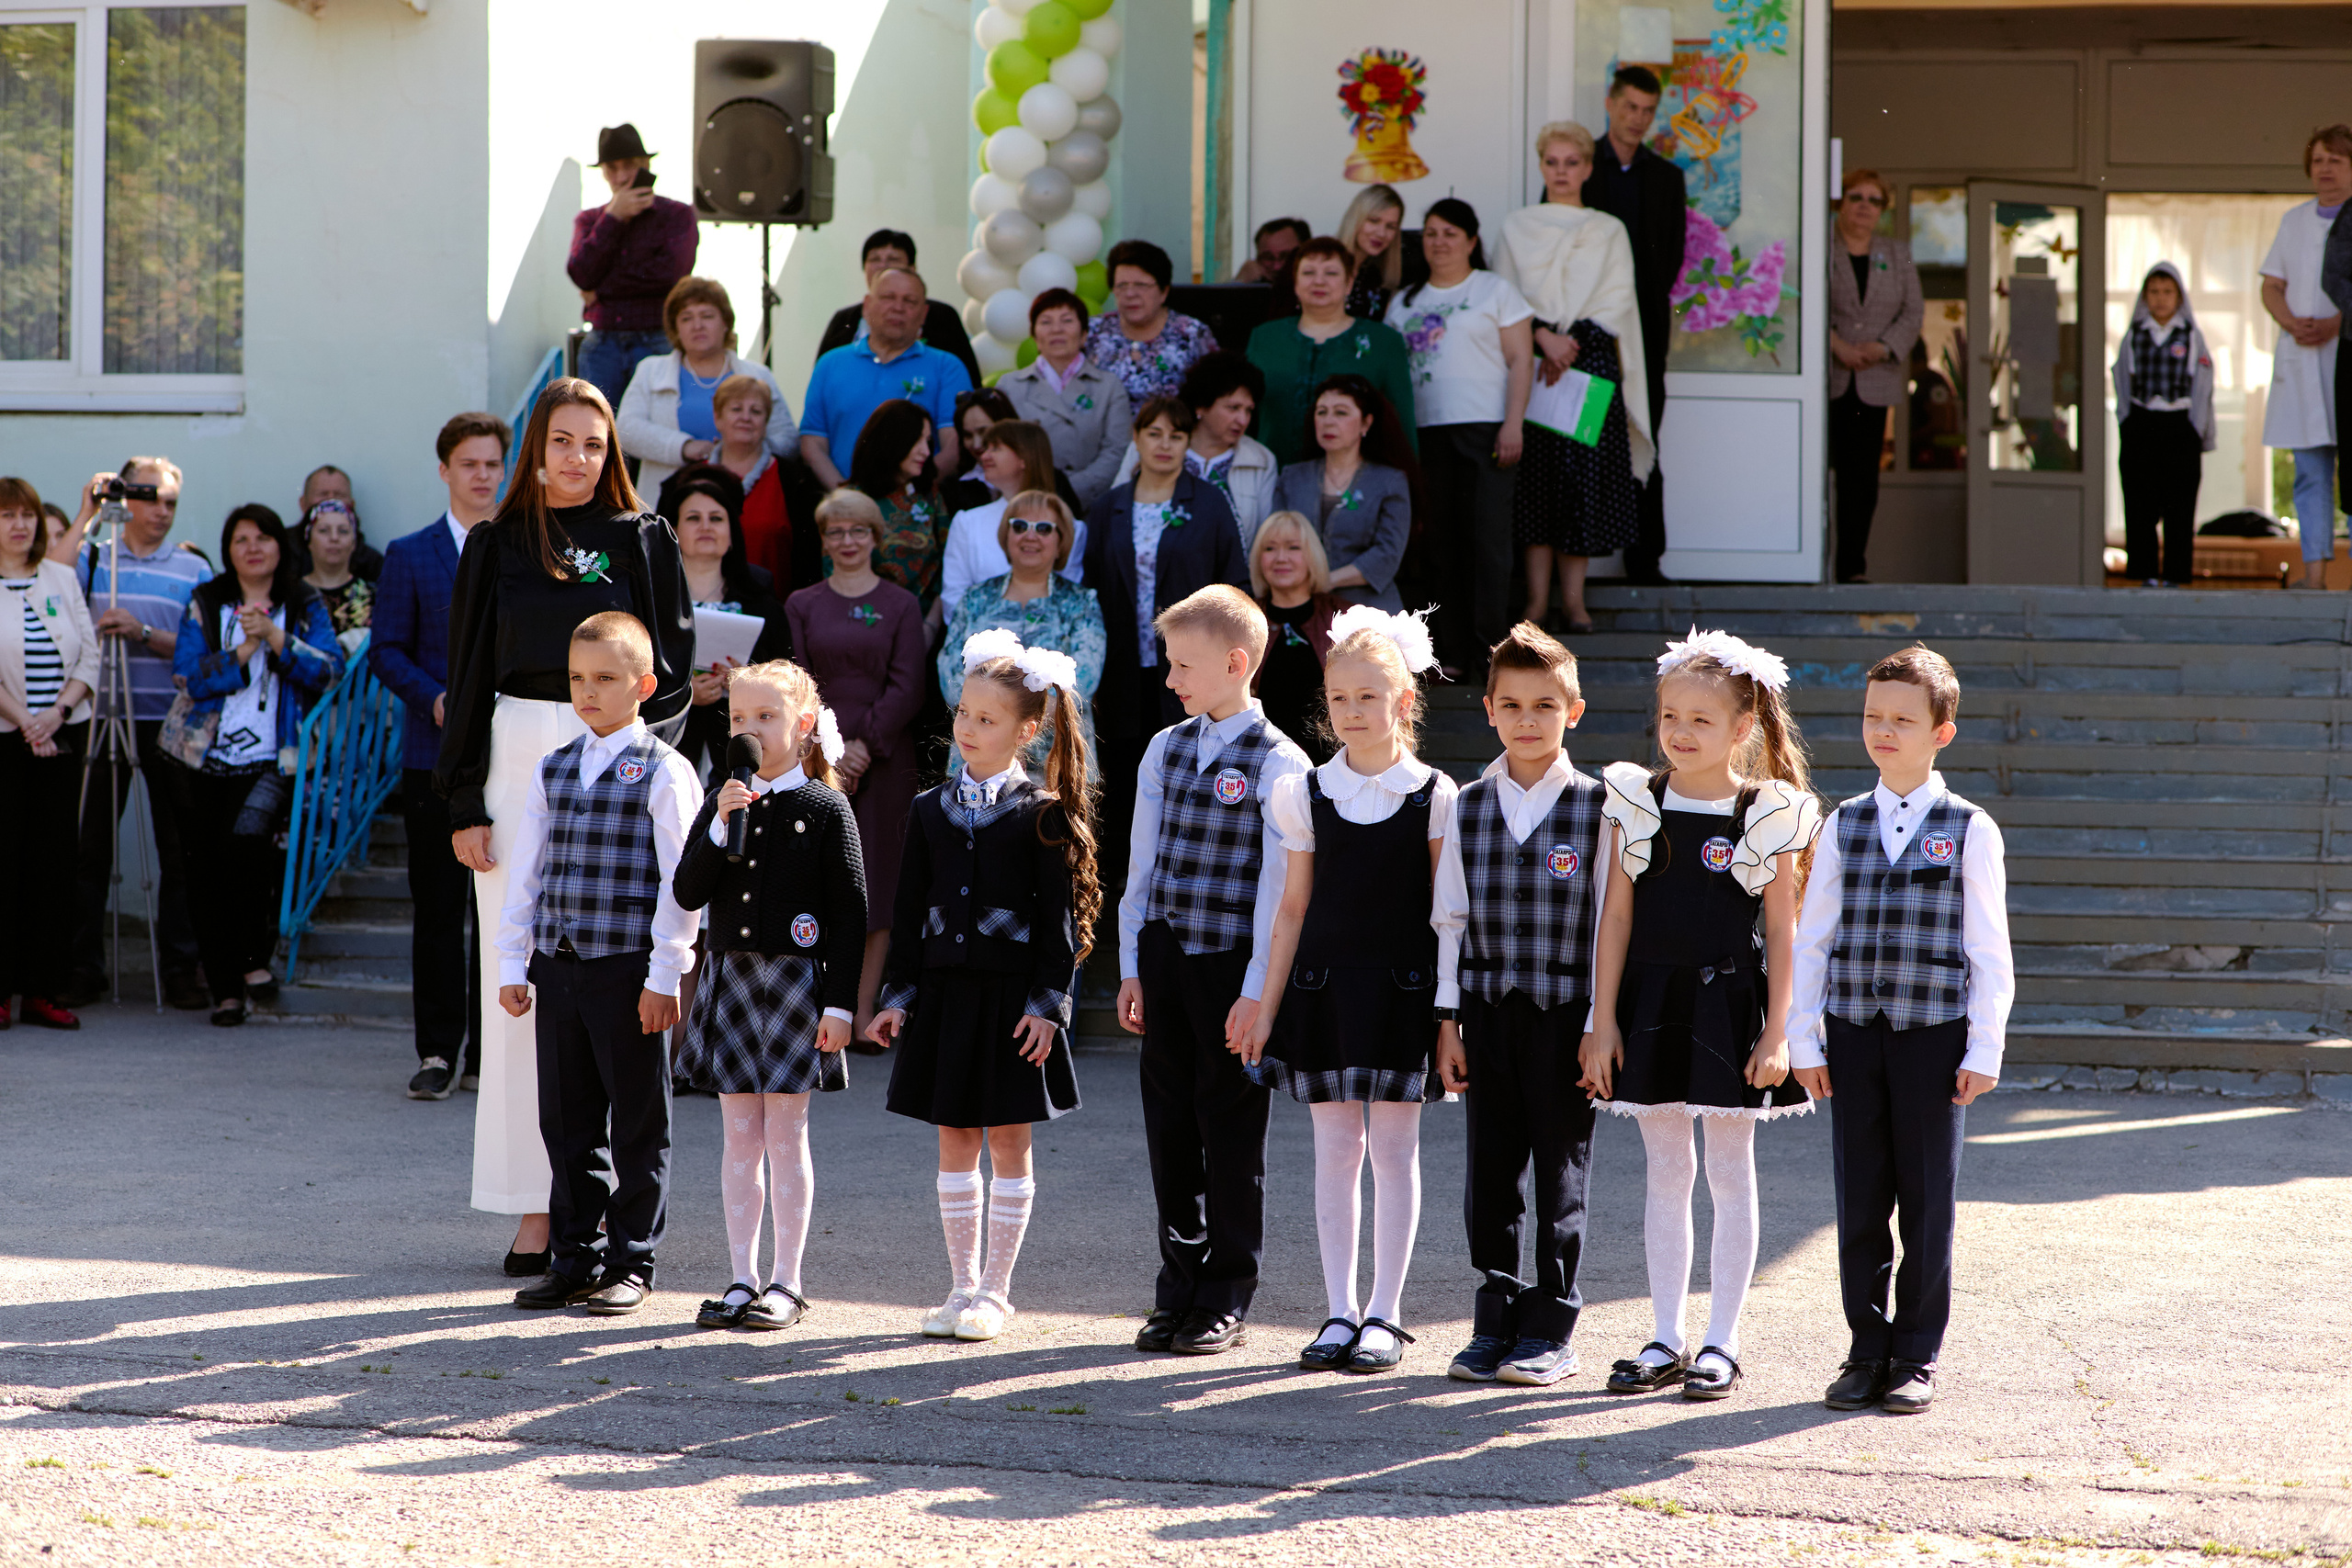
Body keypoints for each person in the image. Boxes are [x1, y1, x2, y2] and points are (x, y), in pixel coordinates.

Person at [437, 378, 694, 1276]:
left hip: (612, 765)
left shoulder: (643, 539)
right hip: (515, 758)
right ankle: (534, 1206)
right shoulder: (498, 542)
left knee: (604, 991)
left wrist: (642, 779)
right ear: (533, 452)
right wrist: (463, 800)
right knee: (519, 985)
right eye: (560, 442)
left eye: (592, 443)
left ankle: (611, 1219)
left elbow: (674, 674)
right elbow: (467, 672)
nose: (576, 457)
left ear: (610, 450)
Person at [1588, 631, 1821, 1402]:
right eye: (1668, 717)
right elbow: (1615, 918)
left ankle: (1721, 1339)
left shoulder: (1767, 812)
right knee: (1664, 1169)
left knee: (1728, 1168)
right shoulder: (1635, 801)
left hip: (1728, 1004)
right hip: (1648, 1002)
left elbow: (1783, 930)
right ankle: (1666, 1334)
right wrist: (1602, 1017)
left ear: (1743, 728)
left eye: (1700, 720)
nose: (1680, 733)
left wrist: (1777, 1029)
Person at [1788, 645, 2013, 1416]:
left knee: (1926, 1200)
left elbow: (1989, 946)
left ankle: (1916, 1352)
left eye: (1903, 720)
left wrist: (1985, 1046)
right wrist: (1803, 1038)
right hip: (1853, 1031)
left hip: (1933, 1036)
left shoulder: (1969, 827)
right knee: (1859, 1196)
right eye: (1873, 717)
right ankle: (1865, 1346)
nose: (1884, 731)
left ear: (1941, 732)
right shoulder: (1844, 823)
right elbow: (1811, 937)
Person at [1237, 605, 1455, 1375]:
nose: (1351, 711)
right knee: (1335, 1149)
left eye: (1369, 696)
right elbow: (1290, 906)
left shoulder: (1435, 794)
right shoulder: (1303, 792)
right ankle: (1338, 1309)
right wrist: (1264, 1003)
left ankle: (1386, 1315)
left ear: (1403, 701)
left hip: (1403, 990)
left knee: (1395, 1149)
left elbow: (1447, 913)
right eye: (1338, 698)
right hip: (1322, 988)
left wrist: (1449, 1013)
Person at [868, 630, 1100, 1343]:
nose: (968, 728)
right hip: (944, 1000)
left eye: (987, 719)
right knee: (954, 1139)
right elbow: (908, 913)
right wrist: (895, 997)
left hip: (1010, 1004)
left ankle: (997, 1292)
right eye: (964, 714)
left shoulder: (1043, 811)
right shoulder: (927, 807)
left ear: (1027, 731)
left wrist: (1047, 1006)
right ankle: (961, 1284)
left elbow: (1060, 925)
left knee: (1007, 1139)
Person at [1116, 587, 1312, 1358]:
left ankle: (1227, 1290)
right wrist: (1132, 964)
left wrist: (1259, 990)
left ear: (1236, 664)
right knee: (1169, 1126)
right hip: (1166, 956)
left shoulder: (1281, 762)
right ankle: (1179, 1283)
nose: (1171, 679)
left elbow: (1277, 894)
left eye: (1183, 665)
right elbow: (1141, 868)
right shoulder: (1164, 748)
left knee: (1229, 1127)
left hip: (1231, 964)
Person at [497, 612, 704, 1318]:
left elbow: (683, 883)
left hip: (628, 972)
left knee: (638, 1123)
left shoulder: (667, 771)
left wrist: (665, 975)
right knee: (567, 1121)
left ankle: (632, 1261)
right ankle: (573, 1258)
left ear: (643, 685)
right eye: (579, 678)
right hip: (559, 965)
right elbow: (527, 869)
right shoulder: (554, 766)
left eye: (606, 679)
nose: (588, 692)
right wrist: (512, 961)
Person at [1427, 622, 1606, 1386]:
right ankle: (1494, 1315)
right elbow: (1450, 919)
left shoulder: (1601, 805)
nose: (1527, 719)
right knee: (1491, 1174)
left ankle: (1551, 1326)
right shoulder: (1466, 804)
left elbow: (1607, 923)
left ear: (1574, 710)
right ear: (1490, 712)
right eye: (1511, 705)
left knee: (1561, 1170)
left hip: (1566, 1015)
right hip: (1489, 1011)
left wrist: (1601, 1023)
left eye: (1544, 704)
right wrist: (1447, 1021)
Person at [673, 660, 865, 1333]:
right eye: (737, 718)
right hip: (731, 976)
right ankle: (740, 1275)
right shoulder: (722, 799)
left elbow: (850, 912)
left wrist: (840, 1005)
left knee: (786, 1133)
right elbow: (687, 890)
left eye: (765, 717)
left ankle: (787, 1279)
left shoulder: (824, 806)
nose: (748, 729)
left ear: (803, 725)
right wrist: (721, 825)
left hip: (793, 984)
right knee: (737, 1136)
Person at [371, 411, 510, 1101]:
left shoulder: (521, 549)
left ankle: (492, 1054)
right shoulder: (410, 552)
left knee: (501, 909)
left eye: (492, 463)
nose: (482, 475)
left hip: (509, 758)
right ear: (445, 470)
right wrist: (433, 698)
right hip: (432, 757)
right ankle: (437, 1052)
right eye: (470, 464)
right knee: (438, 909)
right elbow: (386, 651)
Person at [169, 504, 341, 1026]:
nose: (252, 547)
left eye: (263, 537)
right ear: (228, 550)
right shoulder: (206, 601)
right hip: (200, 759)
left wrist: (276, 638)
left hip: (273, 758)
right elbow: (188, 678)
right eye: (240, 539)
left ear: (279, 545)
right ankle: (226, 989)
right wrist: (243, 651)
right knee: (204, 874)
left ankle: (250, 963)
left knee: (246, 855)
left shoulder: (302, 600)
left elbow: (328, 669)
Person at [1082, 398, 1250, 889]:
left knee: (1189, 773)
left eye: (1176, 436)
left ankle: (1184, 880)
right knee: (1124, 778)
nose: (1164, 444)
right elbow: (1090, 585)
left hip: (1190, 671)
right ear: (1136, 438)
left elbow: (1234, 586)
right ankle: (1113, 889)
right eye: (1153, 433)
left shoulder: (1210, 502)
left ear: (1187, 443)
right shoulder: (1107, 507)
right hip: (1118, 671)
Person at [1496, 121, 1652, 635]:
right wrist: (1542, 336)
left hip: (1589, 361)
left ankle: (1575, 602)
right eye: (1552, 162)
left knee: (1580, 480)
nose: (1561, 172)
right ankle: (1537, 603)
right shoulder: (1516, 226)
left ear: (1587, 168)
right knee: (1537, 479)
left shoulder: (1608, 228)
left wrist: (1571, 342)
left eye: (1572, 162)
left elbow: (1617, 297)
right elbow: (1504, 293)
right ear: (1541, 165)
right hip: (1533, 361)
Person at [67, 456, 209, 1011]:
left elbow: (205, 651)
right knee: (88, 848)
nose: (162, 512)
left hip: (168, 723)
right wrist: (88, 514)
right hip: (101, 718)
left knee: (178, 849)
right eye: (150, 498)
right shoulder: (96, 556)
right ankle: (81, 967)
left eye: (171, 502)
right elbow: (55, 601)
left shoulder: (194, 569)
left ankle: (178, 969)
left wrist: (145, 632)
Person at [785, 490, 928, 1031]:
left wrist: (865, 744)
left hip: (885, 759)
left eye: (858, 530)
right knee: (817, 879)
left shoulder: (900, 603)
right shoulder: (802, 602)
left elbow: (909, 683)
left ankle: (863, 1006)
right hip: (816, 753)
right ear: (824, 541)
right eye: (836, 532)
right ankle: (821, 1006)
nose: (847, 541)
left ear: (875, 537)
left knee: (878, 882)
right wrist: (830, 745)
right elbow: (797, 679)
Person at [1387, 198, 1534, 671]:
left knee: (1487, 541)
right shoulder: (1404, 301)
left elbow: (1520, 360)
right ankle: (1445, 652)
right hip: (1426, 433)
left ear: (1472, 241)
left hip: (1487, 429)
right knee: (1440, 546)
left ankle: (1489, 651)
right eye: (1430, 233)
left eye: (1450, 233)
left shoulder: (1494, 290)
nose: (1439, 241)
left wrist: (1514, 422)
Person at [1581, 67, 1687, 586]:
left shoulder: (1668, 177)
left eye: (1648, 110)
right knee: (1583, 434)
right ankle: (1577, 558)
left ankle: (1646, 560)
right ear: (1610, 103)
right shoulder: (1582, 167)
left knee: (1644, 429)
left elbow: (1669, 260)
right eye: (1630, 107)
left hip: (1645, 331)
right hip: (1590, 331)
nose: (1638, 119)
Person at [0, 477, 99, 1031]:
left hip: (61, 731)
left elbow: (89, 655)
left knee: (54, 863)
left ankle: (43, 990)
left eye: (28, 515)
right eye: (7, 515)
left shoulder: (60, 577)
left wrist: (55, 715)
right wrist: (24, 722)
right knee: (4, 860)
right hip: (7, 737)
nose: (21, 525)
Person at [936, 491, 1105, 739]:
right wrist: (993, 721)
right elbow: (949, 673)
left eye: (1044, 528)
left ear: (1062, 542)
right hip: (979, 748)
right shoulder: (974, 599)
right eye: (1020, 526)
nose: (1030, 535)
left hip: (1056, 757)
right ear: (1007, 536)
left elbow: (1083, 680)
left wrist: (1016, 724)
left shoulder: (1082, 602)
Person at [662, 464, 794, 780]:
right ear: (675, 534)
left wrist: (745, 683)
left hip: (743, 749)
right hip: (671, 742)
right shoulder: (654, 601)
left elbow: (786, 674)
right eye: (693, 518)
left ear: (732, 534)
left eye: (716, 518)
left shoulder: (762, 601)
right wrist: (685, 690)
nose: (706, 526)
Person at [1826, 170, 1926, 585]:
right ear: (1840, 203)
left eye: (1874, 200)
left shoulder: (1896, 251)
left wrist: (1883, 347)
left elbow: (1914, 310)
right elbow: (1806, 305)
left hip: (1874, 379)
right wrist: (1837, 346)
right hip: (1828, 378)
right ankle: (1810, 562)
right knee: (1820, 473)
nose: (1865, 206)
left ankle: (1852, 566)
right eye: (1856, 197)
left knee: (1861, 477)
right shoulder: (1821, 248)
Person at [2261, 126, 2349, 589]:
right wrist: (2291, 321)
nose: (2325, 169)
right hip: (2302, 358)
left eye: (2335, 160)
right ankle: (2314, 574)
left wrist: (2338, 322)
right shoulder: (2293, 221)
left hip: (2345, 353)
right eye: (2317, 161)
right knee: (2311, 474)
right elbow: (2271, 284)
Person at [617, 276, 799, 498]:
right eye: (686, 318)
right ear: (675, 328)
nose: (697, 325)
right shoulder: (651, 371)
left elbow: (787, 440)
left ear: (725, 323)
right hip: (664, 508)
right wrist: (684, 447)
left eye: (707, 315)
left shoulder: (758, 375)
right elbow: (626, 430)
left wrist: (743, 453)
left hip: (747, 503)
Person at [1247, 237, 1418, 468]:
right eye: (1308, 272)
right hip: (1271, 477)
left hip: (1356, 485)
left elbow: (1402, 424)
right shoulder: (1265, 338)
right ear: (1295, 283)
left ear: (1349, 282)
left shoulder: (1384, 342)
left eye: (1331, 273)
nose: (1319, 281)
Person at [800, 268, 974, 491]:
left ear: (924, 313)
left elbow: (953, 445)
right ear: (867, 305)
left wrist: (904, 495)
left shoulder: (947, 367)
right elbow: (812, 444)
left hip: (916, 506)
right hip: (845, 509)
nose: (898, 307)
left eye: (910, 301)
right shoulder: (830, 364)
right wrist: (847, 496)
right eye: (888, 297)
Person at [569, 124, 700, 410]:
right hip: (603, 343)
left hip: (657, 339)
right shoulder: (590, 220)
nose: (621, 176)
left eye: (628, 165)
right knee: (598, 435)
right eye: (611, 168)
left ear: (645, 164)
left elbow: (671, 275)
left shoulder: (676, 215)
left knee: (657, 426)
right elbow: (580, 273)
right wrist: (613, 218)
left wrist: (601, 286)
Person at [1269, 374, 1416, 612]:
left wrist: (1326, 580)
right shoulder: (1292, 477)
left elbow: (1387, 555)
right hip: (1297, 605)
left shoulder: (1390, 481)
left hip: (1369, 609)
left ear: (1366, 423)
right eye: (1321, 412)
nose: (1328, 421)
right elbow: (1274, 539)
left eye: (1341, 412)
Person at [2111, 263, 2215, 588]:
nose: (2160, 300)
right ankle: (2144, 575)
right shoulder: (2134, 336)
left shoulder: (2190, 336)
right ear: (2145, 296)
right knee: (2140, 503)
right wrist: (2126, 420)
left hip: (2179, 425)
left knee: (2179, 506)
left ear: (2179, 296)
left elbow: (2202, 382)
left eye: (2167, 292)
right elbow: (2121, 380)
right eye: (2154, 292)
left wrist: (2196, 429)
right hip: (2142, 423)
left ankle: (2175, 576)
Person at [1111, 352, 1281, 547]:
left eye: (1248, 410)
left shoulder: (1261, 461)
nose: (1242, 420)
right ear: (1201, 406)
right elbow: (1116, 513)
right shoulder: (1151, 445)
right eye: (1233, 408)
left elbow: (1264, 540)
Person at [998, 288, 1134, 510]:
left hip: (1088, 505)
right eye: (1046, 322)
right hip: (1024, 504)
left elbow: (1115, 451)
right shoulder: (1009, 386)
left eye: (1067, 320)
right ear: (1034, 335)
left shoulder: (1109, 386)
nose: (1057, 329)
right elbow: (1001, 449)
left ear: (1084, 334)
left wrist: (1066, 491)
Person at [942, 421, 1087, 615]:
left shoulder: (1071, 528)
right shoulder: (967, 523)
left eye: (996, 448)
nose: (984, 455)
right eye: (986, 449)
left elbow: (1069, 600)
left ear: (1024, 457)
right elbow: (953, 599)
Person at [815, 228, 983, 387]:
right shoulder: (844, 319)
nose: (883, 266)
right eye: (874, 259)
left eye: (893, 259)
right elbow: (823, 378)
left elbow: (968, 382)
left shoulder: (942, 316)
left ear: (912, 268)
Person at [1247, 511, 1341, 757]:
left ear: (1312, 556)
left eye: (1293, 548)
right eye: (1269, 549)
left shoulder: (1343, 616)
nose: (1280, 558)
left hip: (1331, 765)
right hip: (1262, 762)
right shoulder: (1242, 619)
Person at [845, 400, 951, 614]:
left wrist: (930, 627)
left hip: (925, 622)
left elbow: (947, 563)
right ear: (891, 440)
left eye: (928, 441)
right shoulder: (852, 500)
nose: (926, 451)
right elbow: (836, 572)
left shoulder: (930, 495)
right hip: (868, 619)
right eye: (916, 441)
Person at [701, 374, 805, 591]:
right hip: (707, 609)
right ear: (718, 418)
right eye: (736, 409)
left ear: (766, 422)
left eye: (756, 411)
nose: (746, 417)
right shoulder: (692, 477)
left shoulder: (792, 478)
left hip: (776, 606)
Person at [1087, 240, 1219, 404]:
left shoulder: (1192, 334)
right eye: (1121, 285)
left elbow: (1215, 396)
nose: (1130, 294)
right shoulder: (1092, 330)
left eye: (1141, 285)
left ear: (1164, 291)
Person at [299, 500, 373, 643]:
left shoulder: (375, 597)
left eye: (343, 531)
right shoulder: (291, 595)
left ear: (354, 543)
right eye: (324, 530)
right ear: (308, 540)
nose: (334, 538)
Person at [292, 467, 384, 581]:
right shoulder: (282, 548)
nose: (331, 500)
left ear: (352, 505)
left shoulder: (371, 562)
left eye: (339, 495)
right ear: (303, 503)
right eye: (323, 494)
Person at [940, 388, 1023, 514]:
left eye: (983, 431)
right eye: (968, 435)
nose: (977, 444)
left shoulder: (1045, 477)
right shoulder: (952, 488)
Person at [1338, 185, 1408, 321]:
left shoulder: (1377, 279)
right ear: (1356, 219)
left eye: (1390, 226)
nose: (1381, 233)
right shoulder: (1321, 263)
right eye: (1374, 221)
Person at [1234, 217, 1310, 287]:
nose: (1277, 267)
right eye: (1268, 257)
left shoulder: (1319, 287)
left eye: (1285, 256)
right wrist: (1239, 284)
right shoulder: (1254, 288)